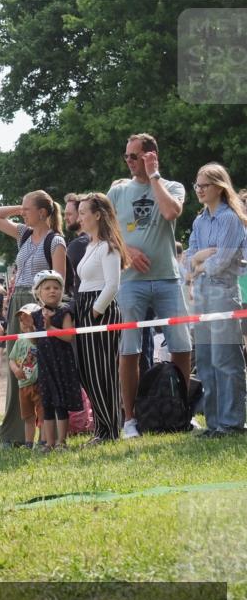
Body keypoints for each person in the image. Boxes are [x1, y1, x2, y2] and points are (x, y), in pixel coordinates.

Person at [108, 133, 191, 439]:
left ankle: (182, 411)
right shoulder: (118, 191)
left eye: (134, 156)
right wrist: (127, 251)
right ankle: (130, 419)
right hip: (131, 282)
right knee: (129, 350)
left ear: (149, 156)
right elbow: (105, 232)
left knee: (181, 346)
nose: (128, 161)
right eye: (126, 156)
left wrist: (154, 175)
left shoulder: (172, 187)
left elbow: (170, 213)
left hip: (168, 278)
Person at [0, 191, 67, 446]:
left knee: (38, 366)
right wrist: (21, 207)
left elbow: (59, 281)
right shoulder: (24, 234)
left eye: (27, 209)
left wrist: (48, 313)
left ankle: (45, 433)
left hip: (38, 303)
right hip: (17, 304)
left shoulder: (56, 241)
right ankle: (15, 432)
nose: (23, 213)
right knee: (16, 363)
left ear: (42, 212)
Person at [185, 162, 247, 436]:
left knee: (225, 359)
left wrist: (201, 262)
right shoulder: (199, 221)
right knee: (207, 361)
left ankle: (231, 422)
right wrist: (200, 259)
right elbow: (190, 258)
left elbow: (221, 261)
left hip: (222, 293)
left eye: (204, 185)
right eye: (196, 185)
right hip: (201, 293)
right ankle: (213, 423)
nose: (199, 190)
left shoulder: (230, 218)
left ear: (219, 188)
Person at [75, 193, 130, 443]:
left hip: (100, 309)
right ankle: (102, 428)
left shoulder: (108, 247)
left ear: (98, 215)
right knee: (88, 372)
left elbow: (112, 285)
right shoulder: (90, 245)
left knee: (103, 372)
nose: (80, 217)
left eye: (84, 212)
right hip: (86, 306)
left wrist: (95, 311)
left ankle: (109, 430)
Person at [31, 271, 83, 451]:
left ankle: (62, 442)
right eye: (47, 288)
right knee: (47, 404)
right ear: (38, 292)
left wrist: (50, 327)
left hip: (61, 363)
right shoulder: (36, 314)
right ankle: (49, 442)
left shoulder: (64, 311)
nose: (52, 291)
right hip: (45, 364)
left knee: (60, 403)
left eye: (56, 288)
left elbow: (69, 336)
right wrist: (30, 329)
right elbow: (36, 340)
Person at [7, 305, 44, 448]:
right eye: (22, 321)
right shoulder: (19, 339)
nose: (24, 323)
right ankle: (29, 443)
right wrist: (16, 370)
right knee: (28, 416)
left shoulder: (39, 337)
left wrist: (31, 328)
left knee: (42, 415)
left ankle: (42, 441)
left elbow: (35, 342)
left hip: (38, 383)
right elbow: (11, 359)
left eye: (28, 319)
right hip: (23, 385)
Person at [64, 193, 90, 297]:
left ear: (80, 214)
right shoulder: (96, 240)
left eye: (69, 214)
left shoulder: (78, 245)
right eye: (64, 214)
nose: (65, 218)